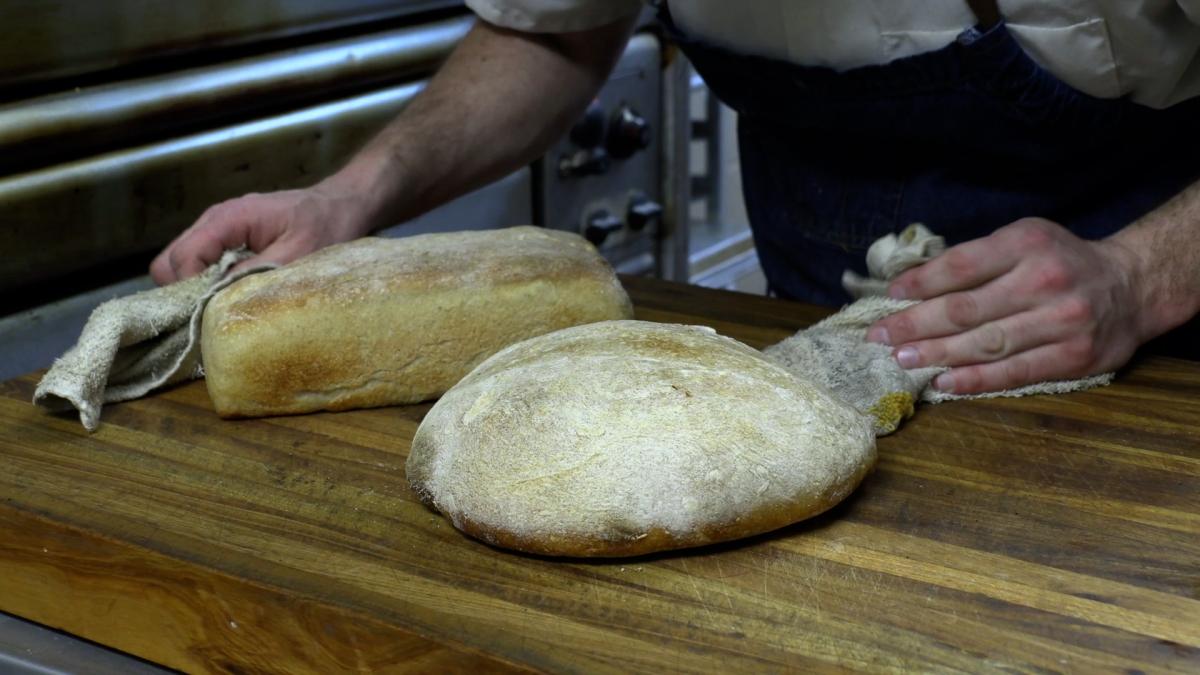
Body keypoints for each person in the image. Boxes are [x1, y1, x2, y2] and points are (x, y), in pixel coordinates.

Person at [151, 0, 1200, 396]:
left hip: (1159, 332)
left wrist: (1138, 275)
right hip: (816, 321)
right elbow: (557, 24)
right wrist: (350, 196)